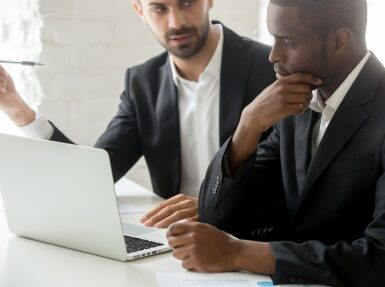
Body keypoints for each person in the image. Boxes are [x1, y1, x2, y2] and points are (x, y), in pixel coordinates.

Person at [166, 0, 385, 286]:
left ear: (340, 40)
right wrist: (248, 126)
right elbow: (218, 217)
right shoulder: (295, 104)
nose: (273, 55)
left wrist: (238, 252)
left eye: (287, 41)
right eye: (273, 39)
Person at [0, 0, 275, 228]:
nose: (176, 22)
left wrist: (210, 206)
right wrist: (16, 107)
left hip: (253, 240)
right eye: (159, 8)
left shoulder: (270, 68)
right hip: (176, 246)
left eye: (186, 3)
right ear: (139, 10)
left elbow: (290, 183)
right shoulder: (142, 84)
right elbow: (94, 174)